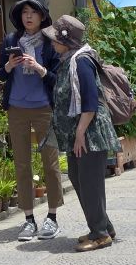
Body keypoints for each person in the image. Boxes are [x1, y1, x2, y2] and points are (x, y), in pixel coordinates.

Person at [42, 14, 119, 252]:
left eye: (56, 39)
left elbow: (90, 102)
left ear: (67, 41)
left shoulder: (81, 61)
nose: (52, 43)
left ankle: (100, 235)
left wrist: (80, 133)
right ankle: (103, 226)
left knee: (89, 183)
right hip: (82, 132)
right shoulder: (69, 59)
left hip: (89, 133)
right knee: (79, 178)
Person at [0, 0, 63, 242]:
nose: (28, 16)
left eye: (33, 12)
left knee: (50, 162)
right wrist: (8, 66)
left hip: (44, 108)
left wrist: (39, 68)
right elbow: (0, 74)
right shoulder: (11, 41)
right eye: (24, 12)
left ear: (43, 16)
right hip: (16, 108)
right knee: (22, 164)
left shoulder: (50, 43)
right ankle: (28, 219)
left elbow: (57, 79)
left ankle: (52, 217)